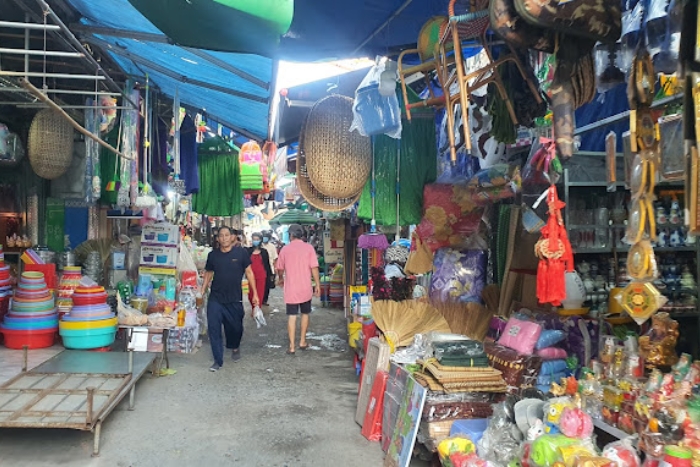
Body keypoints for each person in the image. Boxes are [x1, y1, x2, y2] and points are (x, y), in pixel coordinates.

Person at [201, 226, 259, 372]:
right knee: (214, 329)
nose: (224, 238)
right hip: (216, 298)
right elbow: (208, 273)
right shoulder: (213, 255)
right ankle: (217, 361)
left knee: (235, 328)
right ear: (218, 239)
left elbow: (249, 273)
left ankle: (235, 346)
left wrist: (255, 294)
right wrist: (201, 291)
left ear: (232, 237)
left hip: (234, 299)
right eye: (221, 235)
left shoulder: (241, 253)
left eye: (227, 235)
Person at [276, 224, 320, 354]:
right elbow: (314, 268)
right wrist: (317, 284)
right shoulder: (309, 248)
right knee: (305, 314)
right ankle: (302, 341)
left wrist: (280, 278)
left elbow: (280, 268)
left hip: (291, 290)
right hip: (305, 289)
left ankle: (291, 346)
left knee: (292, 316)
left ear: (291, 235)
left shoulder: (285, 249)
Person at [246, 232, 273, 309]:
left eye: (257, 239)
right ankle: (254, 307)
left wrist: (270, 275)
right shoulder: (248, 251)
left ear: (260, 240)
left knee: (260, 293)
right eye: (254, 239)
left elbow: (267, 264)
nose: (255, 241)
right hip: (250, 276)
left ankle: (257, 309)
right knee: (250, 294)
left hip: (261, 276)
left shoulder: (264, 252)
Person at [261, 230, 278, 306]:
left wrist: (275, 269)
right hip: (260, 268)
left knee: (267, 285)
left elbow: (275, 259)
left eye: (266, 237)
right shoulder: (259, 245)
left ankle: (264, 300)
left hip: (269, 268)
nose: (265, 239)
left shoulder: (272, 247)